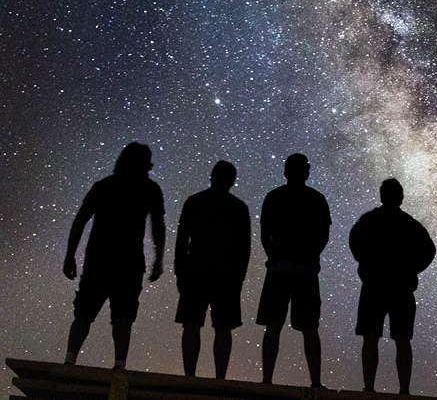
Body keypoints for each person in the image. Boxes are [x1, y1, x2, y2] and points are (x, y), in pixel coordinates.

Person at [62, 142, 166, 370]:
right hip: (129, 262)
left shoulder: (103, 186)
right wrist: (159, 258)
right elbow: (157, 225)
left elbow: (80, 221)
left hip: (98, 259)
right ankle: (119, 364)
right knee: (123, 315)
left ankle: (70, 360)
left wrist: (70, 255)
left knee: (84, 312)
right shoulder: (150, 189)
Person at [349, 178, 435, 395]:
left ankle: (369, 388)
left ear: (382, 195)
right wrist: (412, 269)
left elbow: (354, 241)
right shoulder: (411, 225)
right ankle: (404, 390)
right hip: (401, 287)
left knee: (371, 337)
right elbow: (429, 251)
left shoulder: (368, 221)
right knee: (402, 339)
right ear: (401, 197)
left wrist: (366, 265)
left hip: (374, 285)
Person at [256, 153, 331, 388]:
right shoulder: (317, 199)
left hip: (279, 268)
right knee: (309, 327)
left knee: (273, 325)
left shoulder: (274, 197)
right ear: (306, 172)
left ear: (286, 171)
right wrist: (310, 256)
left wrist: (274, 255)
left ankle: (267, 380)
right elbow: (323, 236)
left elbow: (264, 233)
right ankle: (315, 382)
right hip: (306, 270)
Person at [174, 161, 251, 379]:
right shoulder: (239, 208)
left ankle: (190, 375)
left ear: (212, 176)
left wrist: (179, 270)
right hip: (226, 275)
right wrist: (240, 277)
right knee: (223, 327)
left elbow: (181, 240)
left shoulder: (194, 202)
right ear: (232, 181)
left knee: (191, 323)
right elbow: (244, 248)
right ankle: (220, 378)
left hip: (196, 270)